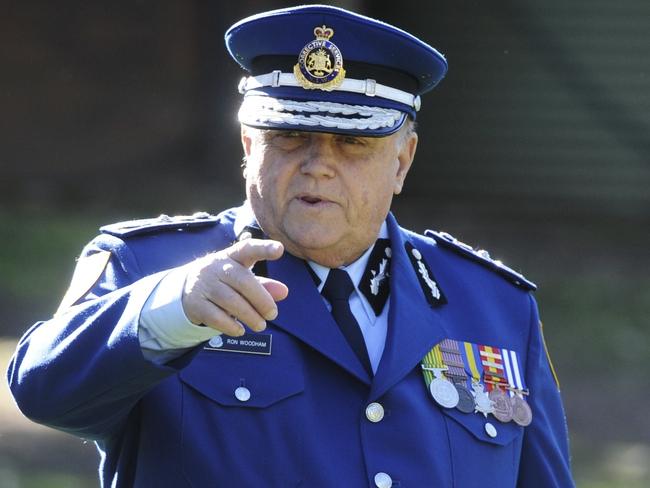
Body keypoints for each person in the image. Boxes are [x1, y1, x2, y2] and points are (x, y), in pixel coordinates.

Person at [7, 5, 575, 487]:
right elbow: (44, 392)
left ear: (402, 161)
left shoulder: (494, 306)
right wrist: (169, 308)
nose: (316, 167)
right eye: (289, 137)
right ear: (248, 144)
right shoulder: (149, 267)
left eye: (352, 143)